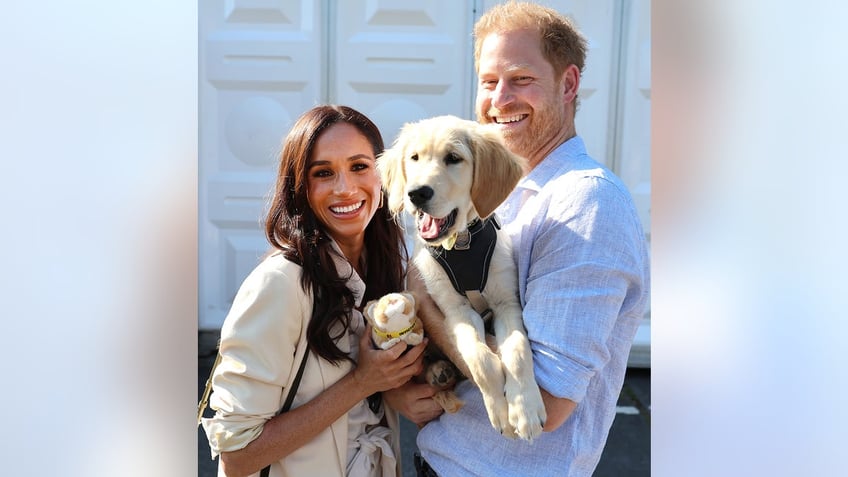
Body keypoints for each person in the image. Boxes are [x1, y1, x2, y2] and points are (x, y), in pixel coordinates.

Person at [383, 2, 650, 476]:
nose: (499, 99)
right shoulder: (491, 187)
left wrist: (426, 301)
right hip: (443, 457)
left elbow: (548, 398)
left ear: (568, 85)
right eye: (489, 82)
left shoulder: (586, 205)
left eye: (521, 79)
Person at [201, 105, 427, 477]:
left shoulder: (386, 273)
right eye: (323, 173)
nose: (345, 188)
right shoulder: (280, 284)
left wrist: (390, 391)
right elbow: (237, 457)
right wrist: (362, 383)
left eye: (359, 166)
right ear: (300, 189)